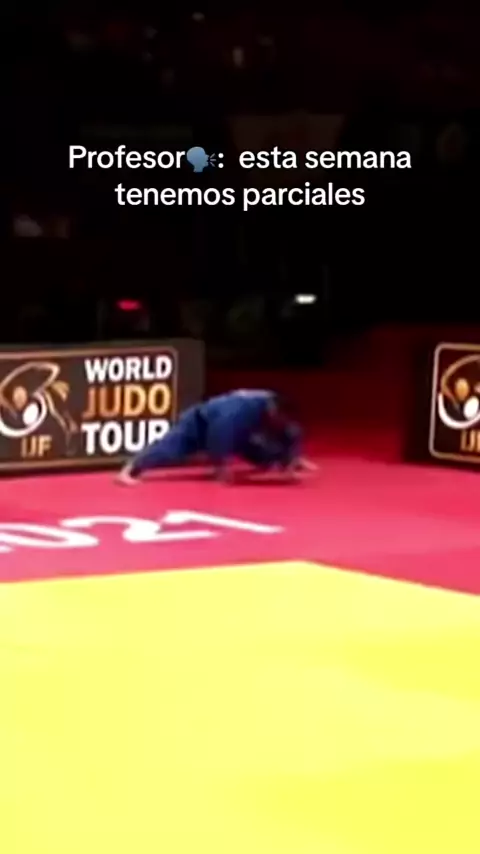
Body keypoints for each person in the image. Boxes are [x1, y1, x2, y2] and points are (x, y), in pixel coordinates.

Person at [116, 389, 315, 485]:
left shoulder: (277, 408)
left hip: (240, 432)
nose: (280, 423)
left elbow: (292, 431)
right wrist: (221, 467)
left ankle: (286, 462)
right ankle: (131, 469)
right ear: (273, 410)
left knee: (265, 452)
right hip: (200, 423)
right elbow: (219, 435)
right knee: (169, 450)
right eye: (279, 418)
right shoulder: (237, 412)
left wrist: (293, 457)